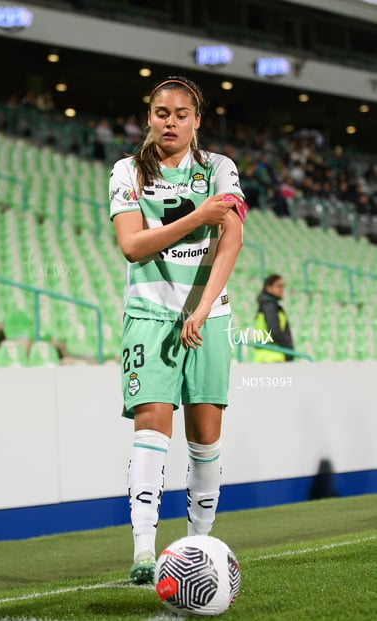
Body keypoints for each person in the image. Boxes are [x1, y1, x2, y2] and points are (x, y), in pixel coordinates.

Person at [109, 76, 248, 584]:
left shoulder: (219, 169)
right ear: (149, 116)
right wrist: (198, 217)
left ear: (196, 121)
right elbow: (132, 246)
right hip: (148, 315)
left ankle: (198, 546)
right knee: (151, 428)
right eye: (162, 112)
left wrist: (202, 307)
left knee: (205, 439)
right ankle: (145, 549)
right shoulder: (127, 172)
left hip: (207, 318)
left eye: (181, 114)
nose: (171, 121)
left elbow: (231, 241)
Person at [254, 274, 294, 362]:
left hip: (266, 355)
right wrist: (289, 351)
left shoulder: (267, 306)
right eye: (279, 286)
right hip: (273, 356)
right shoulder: (269, 306)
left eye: (283, 286)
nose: (282, 289)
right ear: (268, 288)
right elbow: (275, 332)